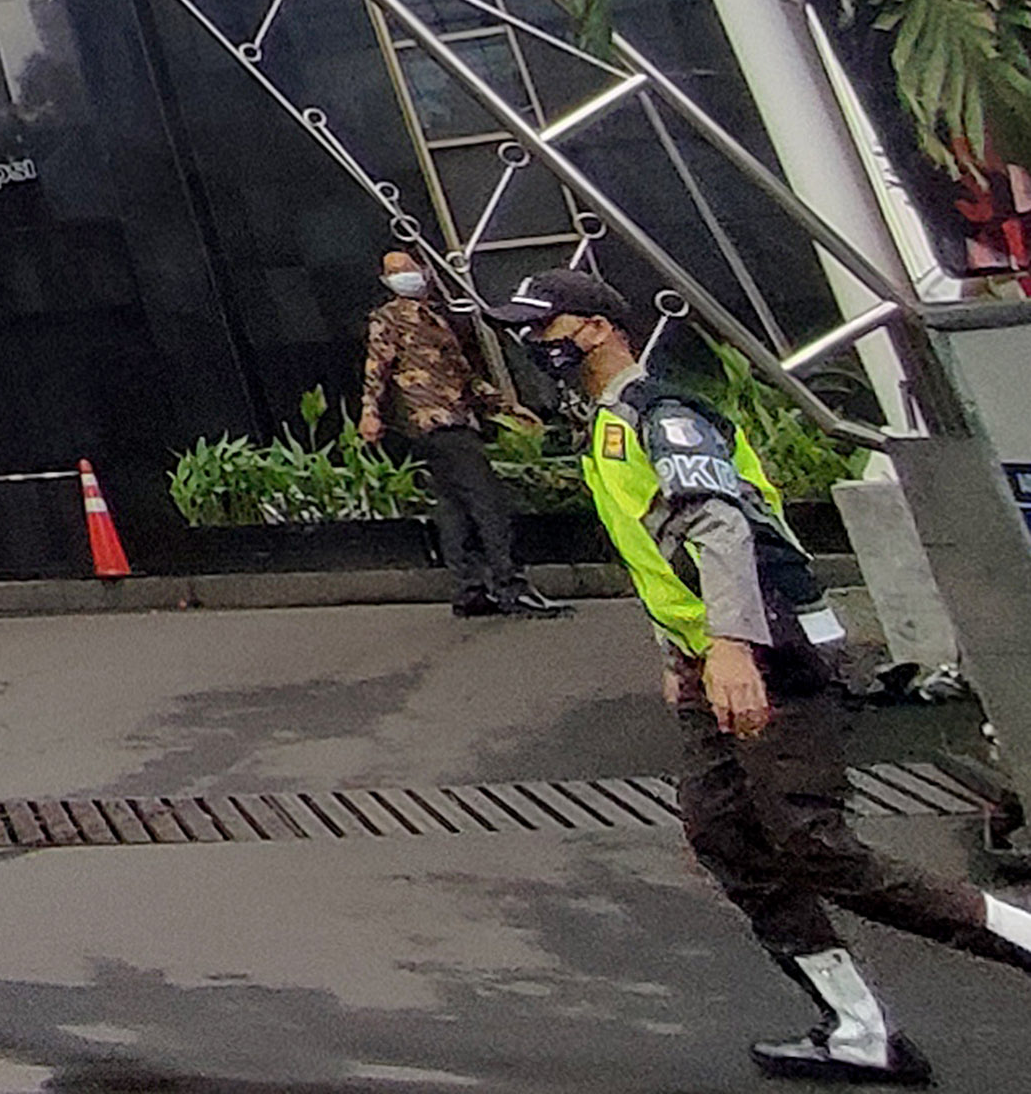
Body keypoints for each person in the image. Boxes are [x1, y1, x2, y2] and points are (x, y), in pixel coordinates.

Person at [480, 266, 1031, 1080]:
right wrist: (683, 653)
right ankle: (856, 1026)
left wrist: (732, 648)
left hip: (770, 648)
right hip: (717, 656)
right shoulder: (603, 424)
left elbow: (721, 528)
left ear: (596, 327)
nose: (532, 342)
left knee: (814, 846)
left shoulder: (661, 416)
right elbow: (660, 556)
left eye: (545, 326)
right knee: (726, 836)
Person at [353, 247, 561, 617]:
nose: (403, 275)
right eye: (393, 271)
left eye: (407, 267)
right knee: (487, 502)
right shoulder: (389, 319)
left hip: (453, 419)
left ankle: (470, 591)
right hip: (436, 422)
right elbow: (376, 369)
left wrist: (507, 408)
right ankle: (511, 587)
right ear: (385, 281)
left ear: (423, 269)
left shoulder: (435, 318)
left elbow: (464, 378)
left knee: (454, 509)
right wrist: (370, 413)